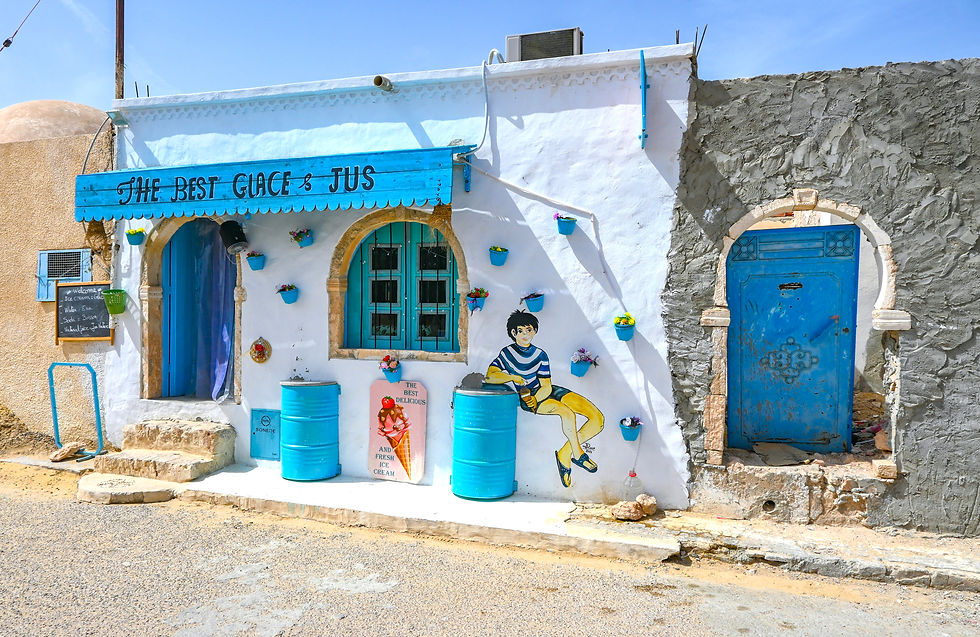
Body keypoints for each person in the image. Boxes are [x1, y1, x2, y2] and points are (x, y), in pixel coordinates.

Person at [484, 310, 604, 488]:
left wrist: (536, 397)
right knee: (567, 414)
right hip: (527, 398)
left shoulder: (540, 355)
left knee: (597, 418)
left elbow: (546, 386)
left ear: (534, 331)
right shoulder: (507, 354)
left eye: (529, 330)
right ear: (513, 333)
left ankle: (565, 452)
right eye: (521, 331)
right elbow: (490, 376)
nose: (526, 334)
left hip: (543, 392)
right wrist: (513, 378)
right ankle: (578, 455)